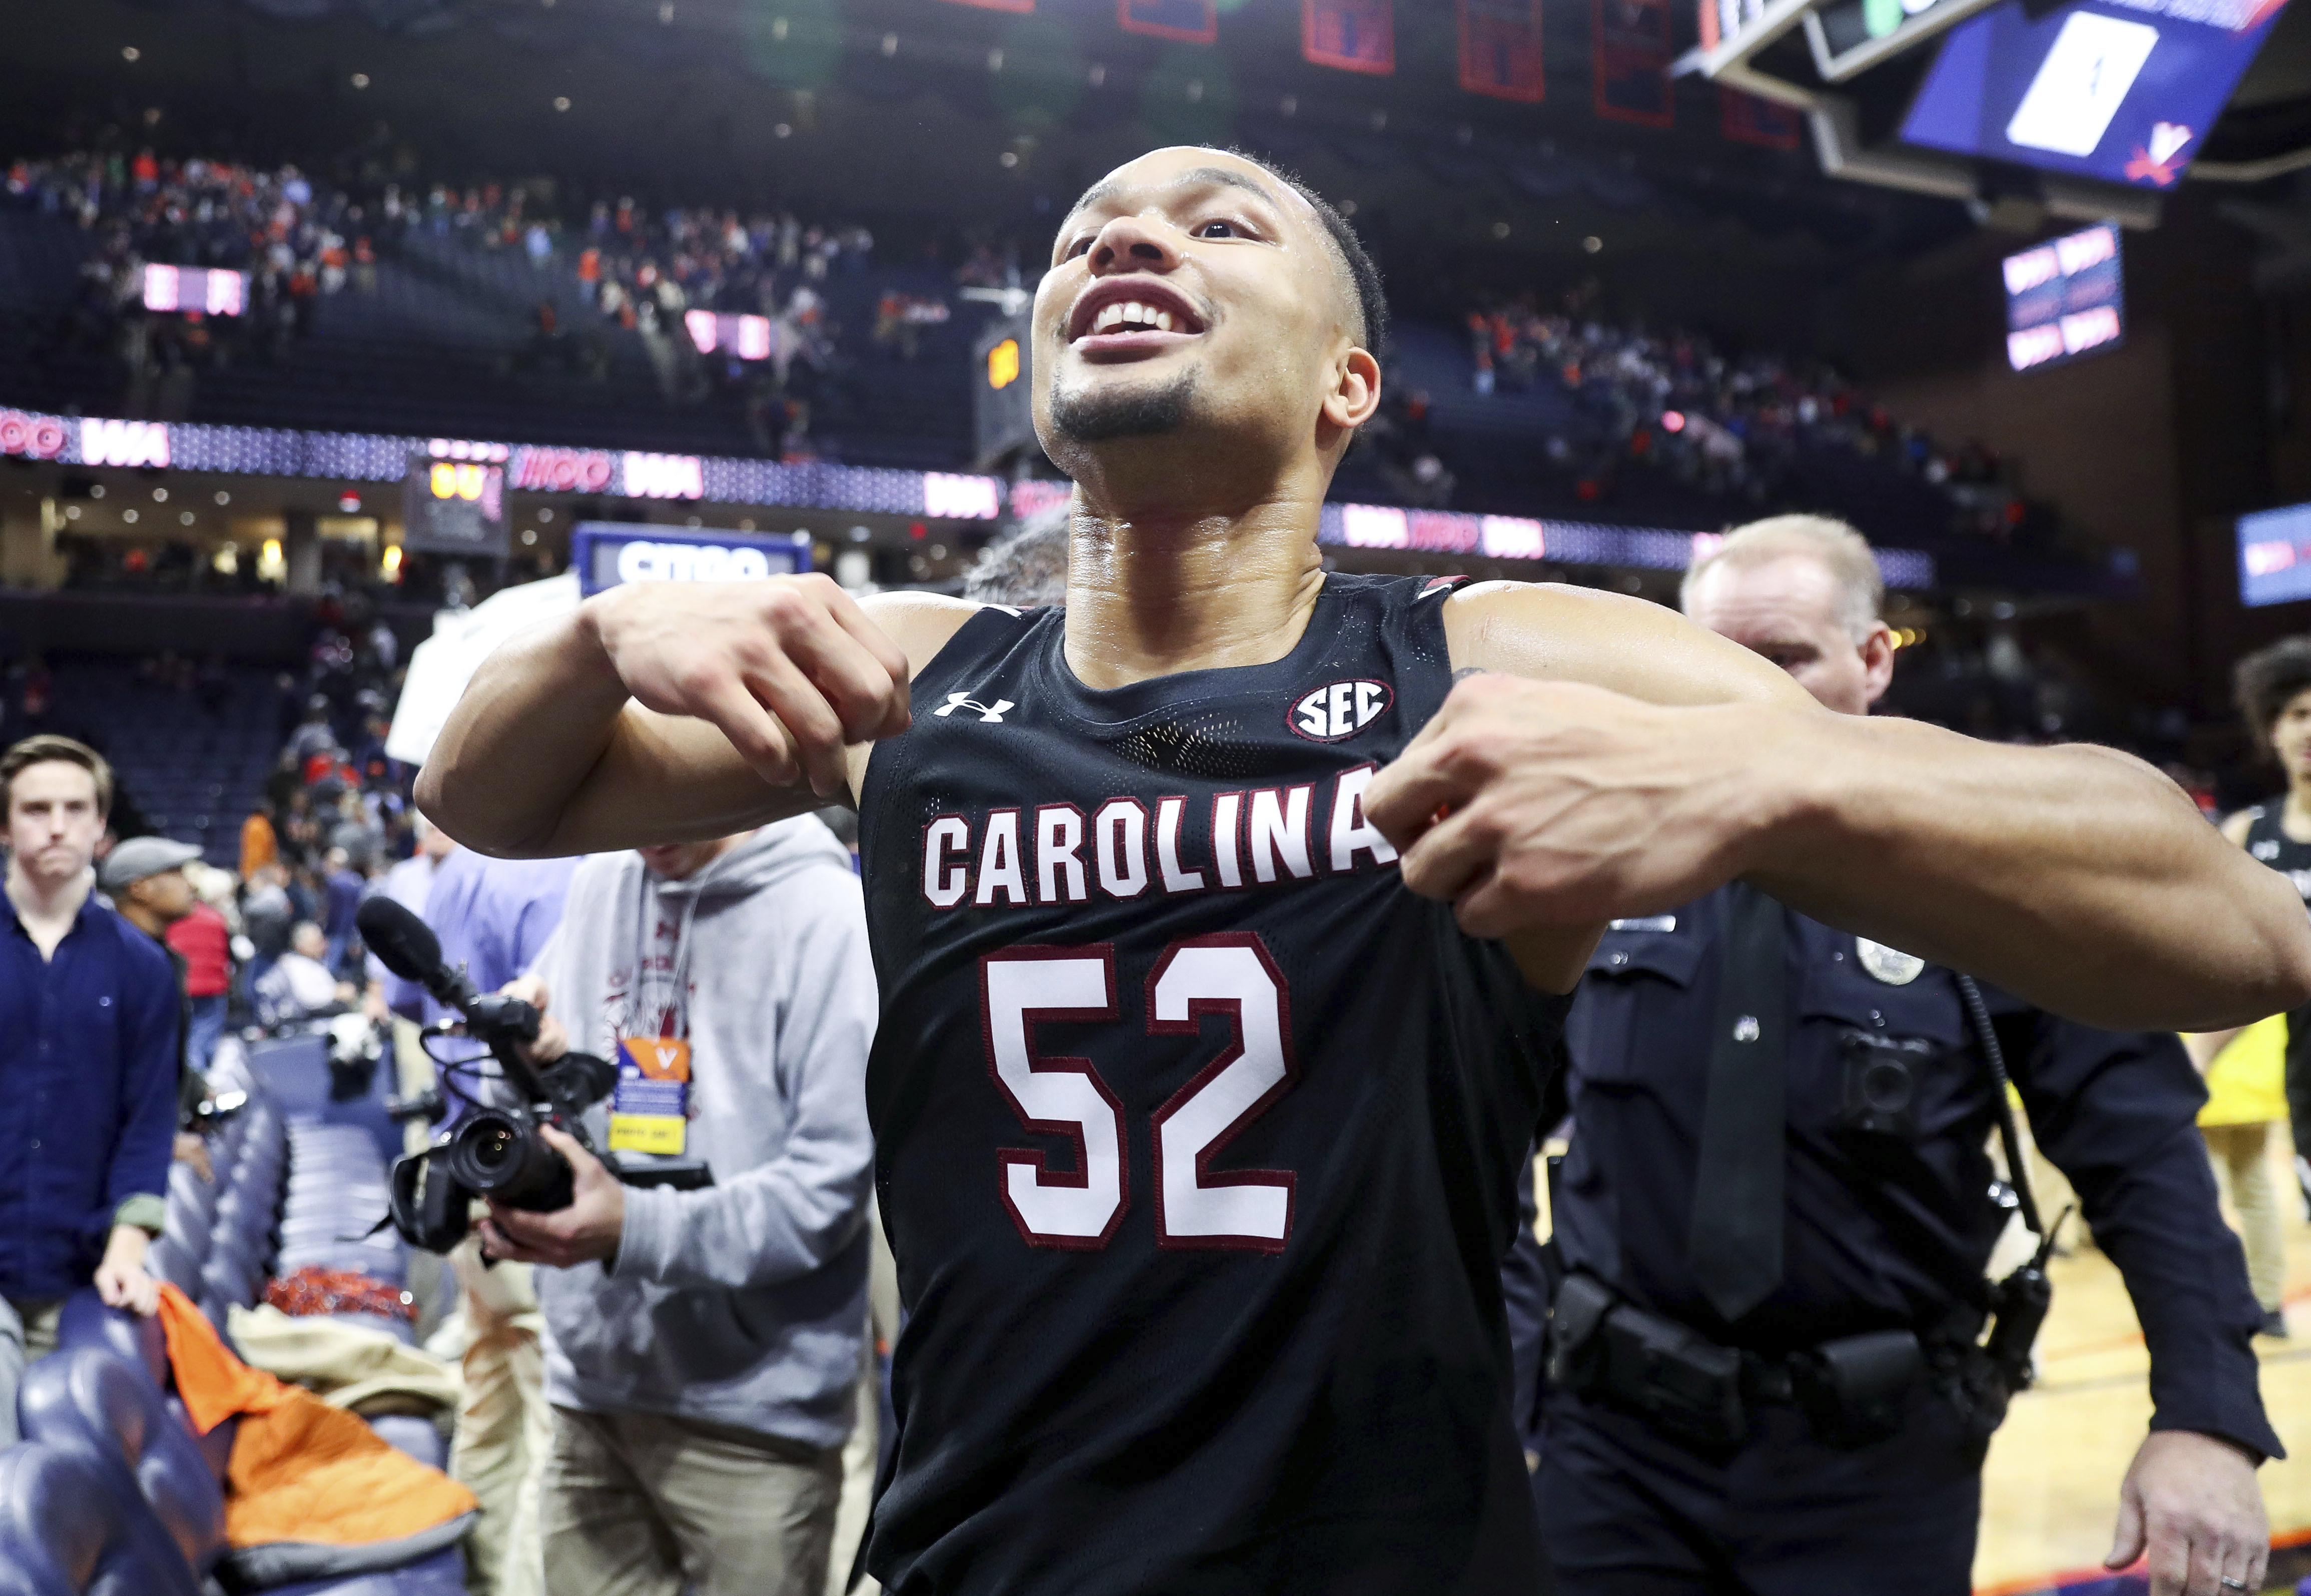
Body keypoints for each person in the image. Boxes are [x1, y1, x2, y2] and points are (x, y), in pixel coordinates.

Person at [418, 146, 2311, 1595]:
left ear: (1347, 383)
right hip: (975, 1545)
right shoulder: (907, 674)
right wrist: (592, 640)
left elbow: (2229, 926)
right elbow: (491, 795)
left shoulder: (1488, 652)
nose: (1130, 238)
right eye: (1089, 229)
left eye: (1220, 223)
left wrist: (1760, 781)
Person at [1535, 516, 2279, 1596]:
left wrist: (2207, 1417)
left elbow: (2139, 1148)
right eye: (1712, 658)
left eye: (1783, 657)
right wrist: (1504, 1377)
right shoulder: (1590, 864)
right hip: (1610, 1457)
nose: (1741, 691)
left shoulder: (1987, 877)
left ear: (1873, 660)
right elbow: (1468, 1135)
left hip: (1874, 1470)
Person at [474, 819, 877, 1596]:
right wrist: (523, 1068)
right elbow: (570, 1099)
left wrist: (633, 1225)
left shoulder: (828, 914)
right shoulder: (601, 880)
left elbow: (825, 1191)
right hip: (592, 1388)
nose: (647, 830)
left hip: (752, 1414)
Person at [0, 735, 175, 1444]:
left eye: (76, 808)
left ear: (101, 828)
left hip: (80, 1268)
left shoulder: (143, 969)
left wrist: (129, 1245)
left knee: (64, 1473)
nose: (57, 824)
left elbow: (149, 1119)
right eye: (36, 808)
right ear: (5, 826)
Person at [2218, 635, 2311, 1220]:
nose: (2310, 731)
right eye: (2299, 715)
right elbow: (2227, 972)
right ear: (2273, 729)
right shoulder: (2247, 835)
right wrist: (2189, 1066)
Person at [2185, 1019, 2291, 1338]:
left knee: (2202, 1198)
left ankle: (2210, 1301)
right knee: (2257, 1195)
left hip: (2211, 1079)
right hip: (2260, 1080)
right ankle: (2269, 1302)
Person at [254, 920, 350, 1021]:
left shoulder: (313, 962)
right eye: (318, 943)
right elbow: (306, 998)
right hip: (304, 1023)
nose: (324, 945)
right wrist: (336, 993)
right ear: (302, 946)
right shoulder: (293, 964)